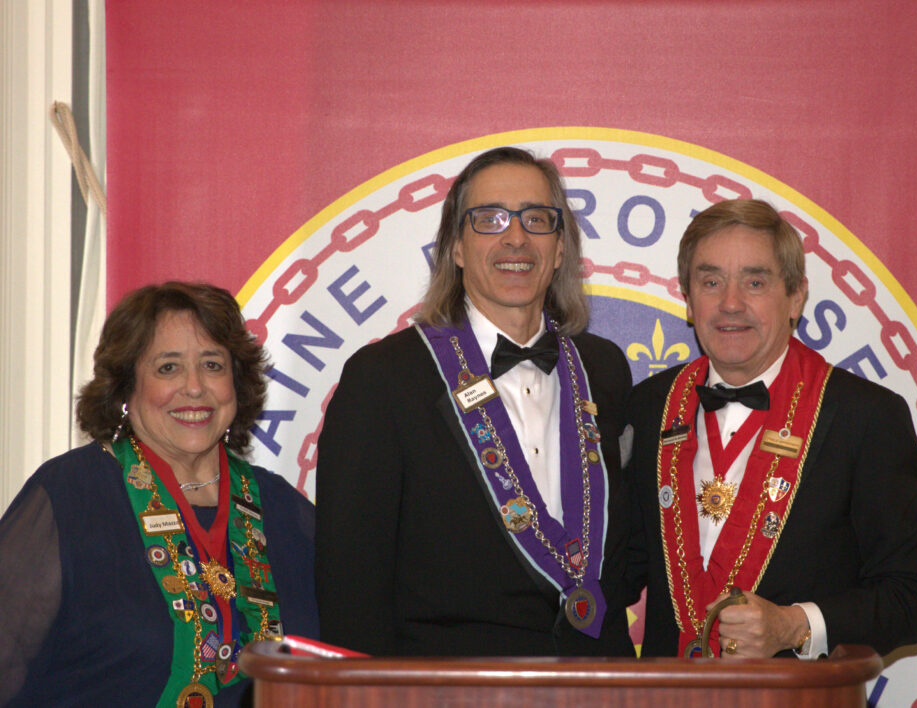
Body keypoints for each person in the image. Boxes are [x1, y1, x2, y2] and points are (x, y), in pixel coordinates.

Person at [316, 146, 637, 656]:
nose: (516, 237)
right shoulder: (383, 378)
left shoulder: (605, 369)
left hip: (595, 680)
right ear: (456, 248)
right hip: (449, 685)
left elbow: (622, 555)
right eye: (490, 219)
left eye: (537, 219)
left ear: (560, 249)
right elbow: (351, 590)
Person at [627, 199, 917, 659]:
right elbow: (617, 569)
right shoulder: (647, 407)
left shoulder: (866, 417)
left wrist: (796, 625)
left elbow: (914, 599)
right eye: (711, 282)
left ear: (796, 297)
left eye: (755, 282)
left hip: (800, 691)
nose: (730, 303)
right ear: (689, 300)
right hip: (664, 690)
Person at [0, 282, 318, 707]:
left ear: (236, 384)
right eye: (168, 368)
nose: (194, 387)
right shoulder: (70, 495)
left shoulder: (286, 511)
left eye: (212, 365)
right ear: (126, 387)